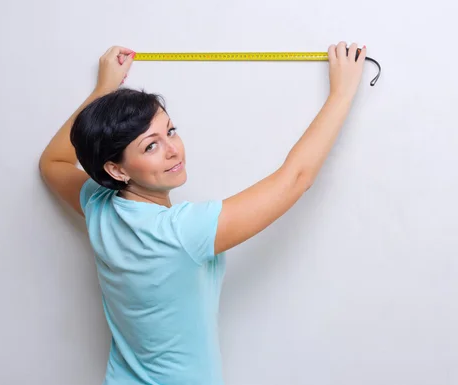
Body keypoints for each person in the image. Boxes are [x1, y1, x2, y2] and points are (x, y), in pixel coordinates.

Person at [39, 42, 366, 385]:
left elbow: (53, 162)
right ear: (116, 170)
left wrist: (104, 90)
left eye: (170, 131)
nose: (172, 150)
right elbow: (295, 179)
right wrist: (342, 93)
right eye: (150, 146)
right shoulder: (180, 233)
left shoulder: (99, 206)